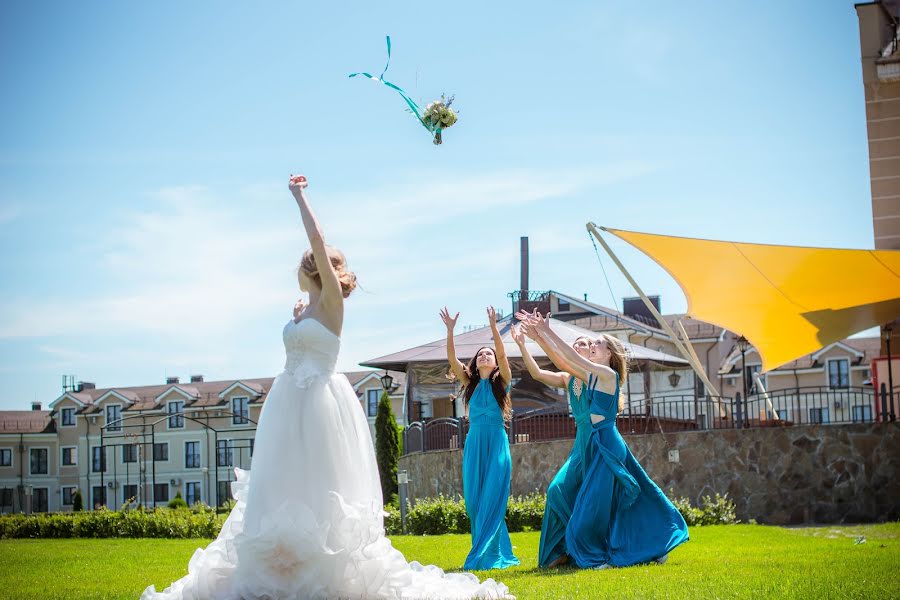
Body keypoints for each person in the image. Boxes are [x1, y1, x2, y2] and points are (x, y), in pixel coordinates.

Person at [142, 175, 513, 600]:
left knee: (321, 482)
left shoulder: (333, 302)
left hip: (320, 401)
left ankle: (326, 567)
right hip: (287, 402)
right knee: (285, 483)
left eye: (308, 259)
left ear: (315, 266)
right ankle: (282, 567)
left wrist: (300, 198)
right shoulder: (305, 309)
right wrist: (297, 318)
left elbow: (317, 239)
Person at [517, 310, 689, 569]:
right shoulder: (590, 374)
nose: (593, 345)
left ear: (610, 354)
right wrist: (538, 337)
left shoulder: (607, 375)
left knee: (597, 505)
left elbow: (571, 358)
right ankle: (652, 545)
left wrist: (546, 331)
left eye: (598, 343)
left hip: (606, 443)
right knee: (623, 499)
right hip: (598, 442)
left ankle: (598, 556)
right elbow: (565, 363)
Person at [441, 306, 520, 570]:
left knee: (492, 497)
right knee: (475, 501)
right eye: (481, 354)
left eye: (490, 354)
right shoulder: (470, 384)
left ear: (495, 362)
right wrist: (450, 331)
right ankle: (488, 549)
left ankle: (486, 555)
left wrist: (495, 329)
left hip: (497, 444)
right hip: (475, 445)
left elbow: (504, 357)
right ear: (475, 363)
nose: (485, 355)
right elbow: (452, 360)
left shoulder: (502, 382)